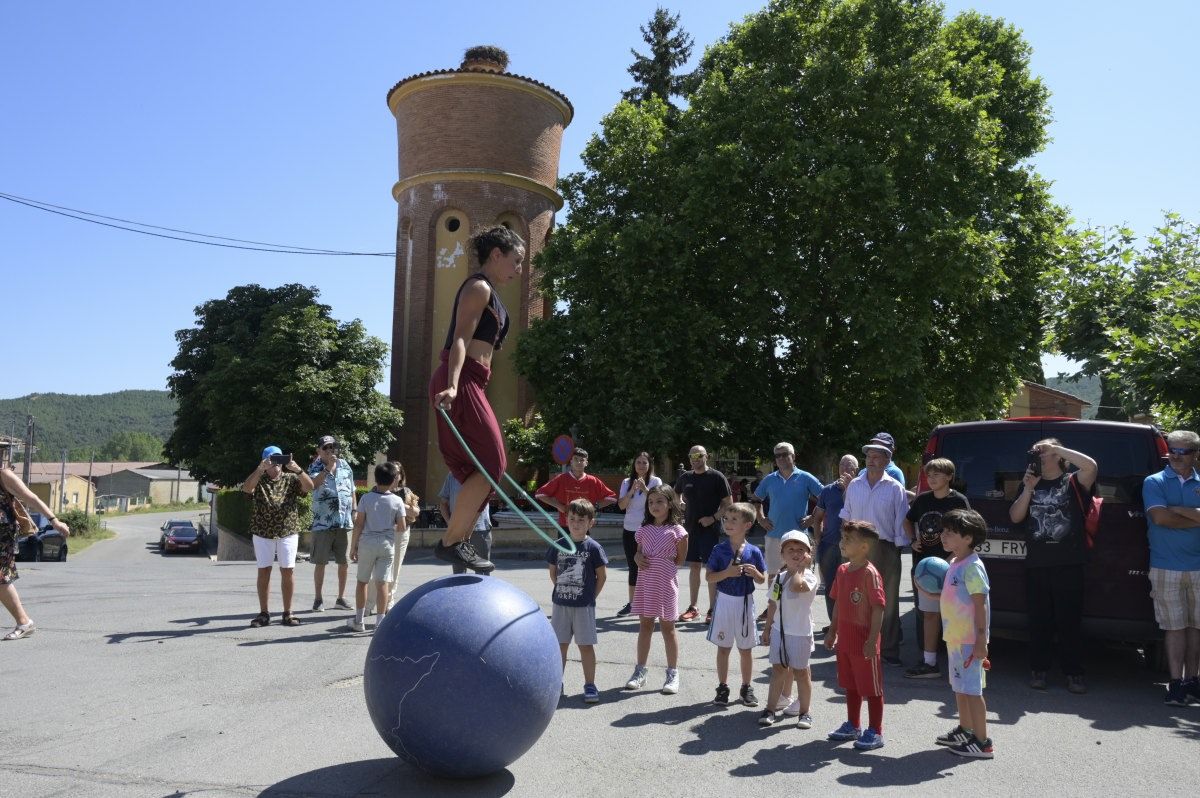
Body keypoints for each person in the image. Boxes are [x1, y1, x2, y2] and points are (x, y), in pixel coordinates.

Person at [429, 225, 525, 573]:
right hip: (462, 378)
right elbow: (458, 340)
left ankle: (459, 541)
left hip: (474, 382)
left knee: (484, 468)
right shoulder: (478, 287)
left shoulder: (492, 293)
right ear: (496, 254)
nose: (518, 270)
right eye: (515, 261)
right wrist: (454, 385)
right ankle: (452, 542)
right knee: (492, 462)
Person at [1009, 437, 1097, 694]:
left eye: (1043, 452)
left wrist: (1057, 448)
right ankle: (1039, 670)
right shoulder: (1030, 482)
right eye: (1034, 452)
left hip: (1069, 563)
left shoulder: (1072, 481)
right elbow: (1015, 517)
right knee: (1039, 621)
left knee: (1069, 621)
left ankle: (1074, 673)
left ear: (1058, 456)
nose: (1038, 456)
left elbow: (1091, 466)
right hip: (1037, 564)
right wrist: (1027, 489)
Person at [925, 508, 993, 758]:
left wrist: (981, 640)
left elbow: (980, 604)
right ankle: (965, 730)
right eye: (944, 531)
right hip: (954, 638)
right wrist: (935, 595)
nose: (944, 536)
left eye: (951, 533)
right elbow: (956, 596)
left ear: (968, 538)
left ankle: (983, 742)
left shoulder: (973, 567)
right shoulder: (954, 562)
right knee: (960, 687)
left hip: (969, 641)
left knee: (973, 691)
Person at [839, 435, 909, 666]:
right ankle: (857, 644)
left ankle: (888, 649)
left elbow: (901, 521)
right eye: (869, 455)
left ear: (887, 460)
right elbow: (846, 516)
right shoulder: (855, 486)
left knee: (885, 601)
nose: (871, 459)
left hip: (884, 547)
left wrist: (896, 552)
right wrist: (845, 543)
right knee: (856, 598)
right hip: (856, 547)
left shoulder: (895, 487)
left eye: (877, 456)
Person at [1142, 429, 1200, 706]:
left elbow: (1170, 513)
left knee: (1197, 627)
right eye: (1172, 451)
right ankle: (1176, 683)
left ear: (1195, 455)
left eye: (1182, 451)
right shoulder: (1154, 481)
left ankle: (1193, 681)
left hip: (1199, 566)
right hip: (1166, 566)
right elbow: (1161, 518)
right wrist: (1196, 516)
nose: (1175, 456)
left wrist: (1176, 508)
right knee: (1174, 627)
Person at [903, 458, 970, 679]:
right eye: (929, 475)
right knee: (929, 615)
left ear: (949, 477)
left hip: (953, 569)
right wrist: (912, 540)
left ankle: (961, 663)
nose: (931, 479)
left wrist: (953, 557)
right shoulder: (922, 500)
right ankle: (930, 663)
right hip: (926, 570)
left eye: (936, 475)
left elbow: (970, 532)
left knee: (954, 616)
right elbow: (907, 520)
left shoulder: (958, 501)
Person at [825, 520, 887, 750]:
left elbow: (879, 608)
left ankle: (876, 731)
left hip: (864, 642)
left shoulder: (870, 574)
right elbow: (839, 604)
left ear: (864, 547)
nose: (842, 542)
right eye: (843, 538)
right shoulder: (842, 570)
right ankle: (853, 724)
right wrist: (833, 631)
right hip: (846, 641)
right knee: (850, 685)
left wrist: (872, 640)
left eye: (848, 540)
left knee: (871, 688)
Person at [625, 485, 689, 695]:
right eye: (651, 502)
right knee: (645, 626)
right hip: (646, 584)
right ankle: (640, 671)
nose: (654, 506)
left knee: (668, 629)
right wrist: (636, 557)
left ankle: (672, 673)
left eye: (660, 501)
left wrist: (663, 563)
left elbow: (679, 560)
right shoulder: (643, 530)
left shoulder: (678, 531)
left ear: (670, 504)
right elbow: (638, 553)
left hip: (665, 584)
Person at [242, 445, 315, 628]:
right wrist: (259, 470)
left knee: (287, 570)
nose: (276, 465)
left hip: (287, 531)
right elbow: (246, 489)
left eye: (279, 460)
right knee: (264, 570)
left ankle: (288, 612)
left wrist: (297, 469)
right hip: (262, 532)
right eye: (272, 460)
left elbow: (310, 487)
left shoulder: (291, 478)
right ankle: (264, 612)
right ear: (265, 461)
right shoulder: (259, 479)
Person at [705, 502, 767, 708]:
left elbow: (761, 579)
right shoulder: (718, 549)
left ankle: (746, 687)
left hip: (745, 603)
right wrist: (728, 573)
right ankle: (722, 687)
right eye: (726, 519)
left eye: (734, 520)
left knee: (746, 648)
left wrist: (755, 573)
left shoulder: (754, 551)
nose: (728, 523)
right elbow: (709, 577)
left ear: (747, 525)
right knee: (723, 647)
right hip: (724, 601)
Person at [547, 499, 608, 703]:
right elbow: (553, 572)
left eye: (581, 520)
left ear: (591, 522)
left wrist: (591, 597)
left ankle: (590, 684)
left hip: (584, 607)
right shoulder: (559, 545)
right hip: (561, 605)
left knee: (585, 646)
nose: (575, 523)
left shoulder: (593, 547)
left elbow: (602, 576)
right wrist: (563, 589)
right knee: (560, 646)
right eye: (572, 518)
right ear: (566, 520)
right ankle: (557, 683)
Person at [0, 467, 70, 640]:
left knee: (1, 577)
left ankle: (24, 622)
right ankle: (24, 622)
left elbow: (31, 497)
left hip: (3, 533)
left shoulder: (3, 475)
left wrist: (54, 521)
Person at [759, 530, 818, 730]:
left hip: (800, 633)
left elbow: (797, 587)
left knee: (801, 673)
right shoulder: (779, 577)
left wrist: (800, 568)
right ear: (782, 553)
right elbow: (773, 604)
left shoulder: (808, 577)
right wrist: (767, 629)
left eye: (801, 550)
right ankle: (770, 708)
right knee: (778, 670)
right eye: (790, 549)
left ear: (808, 554)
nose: (795, 553)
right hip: (779, 631)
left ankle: (805, 712)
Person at [752, 441, 822, 610]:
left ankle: (795, 609)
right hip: (774, 535)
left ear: (793, 456)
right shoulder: (770, 479)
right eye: (778, 455)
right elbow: (755, 500)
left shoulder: (805, 477)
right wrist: (761, 519)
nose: (781, 458)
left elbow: (825, 498)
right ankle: (773, 607)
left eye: (785, 454)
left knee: (798, 573)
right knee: (774, 575)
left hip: (798, 537)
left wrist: (813, 518)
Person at [347, 461, 409, 632]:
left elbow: (359, 524)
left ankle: (359, 621)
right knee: (383, 583)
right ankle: (379, 623)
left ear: (376, 478)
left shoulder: (366, 498)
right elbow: (402, 527)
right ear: (392, 480)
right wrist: (389, 527)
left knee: (362, 582)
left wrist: (353, 547)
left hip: (367, 543)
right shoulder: (397, 500)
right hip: (386, 544)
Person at [673, 445, 732, 625]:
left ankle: (713, 609)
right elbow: (676, 495)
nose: (695, 459)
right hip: (690, 529)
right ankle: (693, 608)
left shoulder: (716, 477)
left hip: (710, 530)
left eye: (699, 455)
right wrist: (681, 505)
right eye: (692, 456)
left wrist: (713, 518)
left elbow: (728, 504)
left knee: (711, 568)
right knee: (694, 567)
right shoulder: (685, 477)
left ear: (707, 456)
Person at [807, 454, 858, 626]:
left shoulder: (860, 488)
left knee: (851, 587)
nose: (845, 469)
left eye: (849, 466)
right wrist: (817, 539)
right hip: (829, 545)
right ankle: (834, 624)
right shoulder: (828, 490)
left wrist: (850, 489)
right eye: (842, 465)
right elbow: (818, 517)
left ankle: (848, 623)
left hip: (852, 547)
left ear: (856, 470)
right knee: (830, 586)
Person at [307, 435, 355, 612]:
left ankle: (341, 598)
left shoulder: (345, 465)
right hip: (323, 523)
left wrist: (354, 511)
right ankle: (318, 598)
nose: (330, 450)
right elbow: (313, 485)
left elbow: (352, 489)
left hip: (343, 522)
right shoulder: (315, 466)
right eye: (326, 447)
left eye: (333, 447)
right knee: (321, 562)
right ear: (319, 450)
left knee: (344, 562)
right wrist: (328, 468)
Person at [365, 465, 419, 616]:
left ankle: (389, 603)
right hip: (381, 534)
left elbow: (416, 512)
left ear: (401, 476)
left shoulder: (406, 492)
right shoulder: (376, 490)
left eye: (397, 474)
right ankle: (369, 604)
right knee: (375, 572)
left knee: (394, 571)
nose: (395, 477)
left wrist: (399, 504)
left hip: (400, 534)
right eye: (392, 474)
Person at [616, 452, 662, 616]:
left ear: (649, 465)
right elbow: (621, 506)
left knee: (650, 566)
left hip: (649, 530)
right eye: (638, 463)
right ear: (634, 465)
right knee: (633, 566)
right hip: (629, 529)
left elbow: (660, 500)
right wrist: (631, 491)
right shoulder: (626, 482)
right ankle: (632, 603)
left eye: (644, 463)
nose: (641, 466)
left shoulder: (656, 481)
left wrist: (645, 489)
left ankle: (652, 603)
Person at [535, 448, 617, 528]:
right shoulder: (561, 479)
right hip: (565, 525)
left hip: (584, 525)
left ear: (586, 463)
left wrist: (594, 506)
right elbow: (540, 494)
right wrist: (559, 506)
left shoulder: (593, 481)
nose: (578, 462)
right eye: (575, 459)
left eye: (582, 460)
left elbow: (612, 498)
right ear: (571, 462)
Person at [438, 472, 492, 576]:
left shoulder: (482, 473)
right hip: (458, 532)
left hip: (481, 530)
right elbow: (443, 503)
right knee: (458, 574)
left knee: (483, 572)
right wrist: (451, 524)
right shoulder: (452, 476)